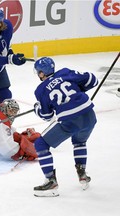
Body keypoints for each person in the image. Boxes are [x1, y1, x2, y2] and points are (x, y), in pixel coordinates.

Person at [32, 57, 98, 197]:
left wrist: (37, 108)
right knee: (79, 141)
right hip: (89, 115)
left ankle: (51, 182)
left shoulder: (41, 89)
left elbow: (47, 115)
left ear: (42, 73)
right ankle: (82, 174)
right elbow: (93, 80)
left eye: (38, 72)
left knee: (40, 144)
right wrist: (79, 88)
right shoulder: (65, 72)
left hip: (70, 119)